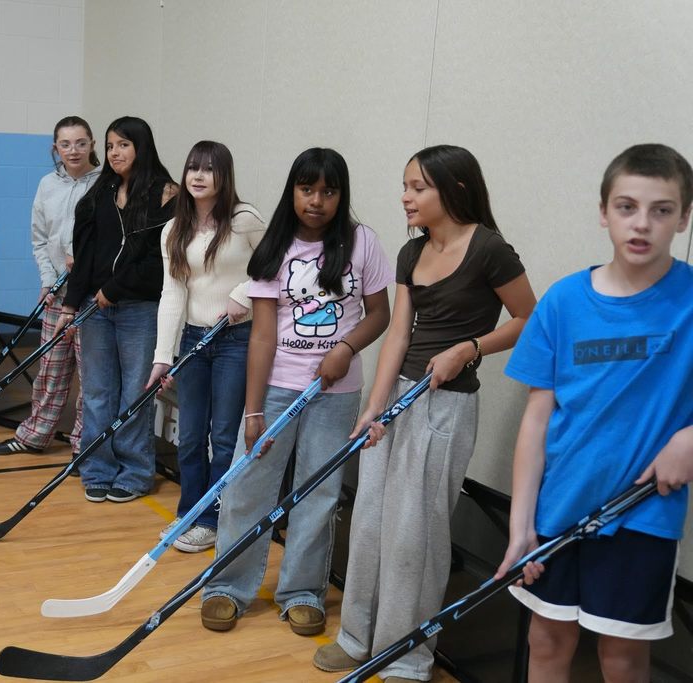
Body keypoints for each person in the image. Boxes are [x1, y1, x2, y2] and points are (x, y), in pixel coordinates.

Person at [314, 145, 536, 681]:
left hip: (448, 404)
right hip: (399, 397)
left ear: (453, 190)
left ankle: (406, 656)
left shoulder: (490, 250)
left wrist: (471, 348)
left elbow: (531, 318)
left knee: (418, 530)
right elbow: (398, 334)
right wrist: (374, 407)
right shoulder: (411, 255)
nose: (405, 196)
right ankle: (356, 636)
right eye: (405, 186)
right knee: (369, 519)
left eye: (417, 187)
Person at [495, 143, 693, 683]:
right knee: (547, 639)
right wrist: (520, 527)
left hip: (642, 516)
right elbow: (537, 420)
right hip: (557, 509)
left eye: (662, 210)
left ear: (684, 217)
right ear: (603, 212)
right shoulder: (563, 302)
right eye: (627, 207)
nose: (642, 224)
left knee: (622, 655)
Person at [201, 148, 395, 636]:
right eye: (308, 189)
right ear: (293, 191)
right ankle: (226, 587)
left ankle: (302, 592)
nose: (317, 200)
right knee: (247, 488)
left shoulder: (362, 243)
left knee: (319, 492)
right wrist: (251, 410)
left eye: (329, 191)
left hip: (337, 393)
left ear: (340, 195)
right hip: (275, 391)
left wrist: (346, 348)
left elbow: (379, 314)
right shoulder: (274, 247)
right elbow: (262, 336)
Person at [147, 141, 267, 552]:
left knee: (225, 436)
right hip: (194, 341)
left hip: (236, 341)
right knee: (192, 435)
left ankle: (217, 519)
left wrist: (243, 295)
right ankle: (188, 516)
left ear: (224, 176)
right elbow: (172, 295)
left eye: (208, 169)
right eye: (192, 168)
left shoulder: (245, 219)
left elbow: (277, 266)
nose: (197, 176)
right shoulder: (173, 229)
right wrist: (163, 357)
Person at [56, 116, 178, 503]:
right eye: (110, 146)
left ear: (141, 147)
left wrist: (115, 288)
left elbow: (159, 262)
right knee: (96, 392)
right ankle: (97, 468)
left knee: (134, 395)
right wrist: (71, 305)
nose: (115, 153)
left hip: (139, 309)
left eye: (123, 145)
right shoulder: (99, 193)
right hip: (96, 308)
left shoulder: (165, 194)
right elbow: (84, 253)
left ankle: (136, 472)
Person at [0, 116, 101, 457]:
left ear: (92, 144)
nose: (74, 150)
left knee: (91, 379)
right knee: (50, 370)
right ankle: (34, 436)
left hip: (93, 299)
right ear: (56, 148)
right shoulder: (46, 185)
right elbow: (39, 241)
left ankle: (84, 446)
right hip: (57, 295)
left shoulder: (105, 184)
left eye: (81, 142)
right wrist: (48, 281)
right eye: (65, 144)